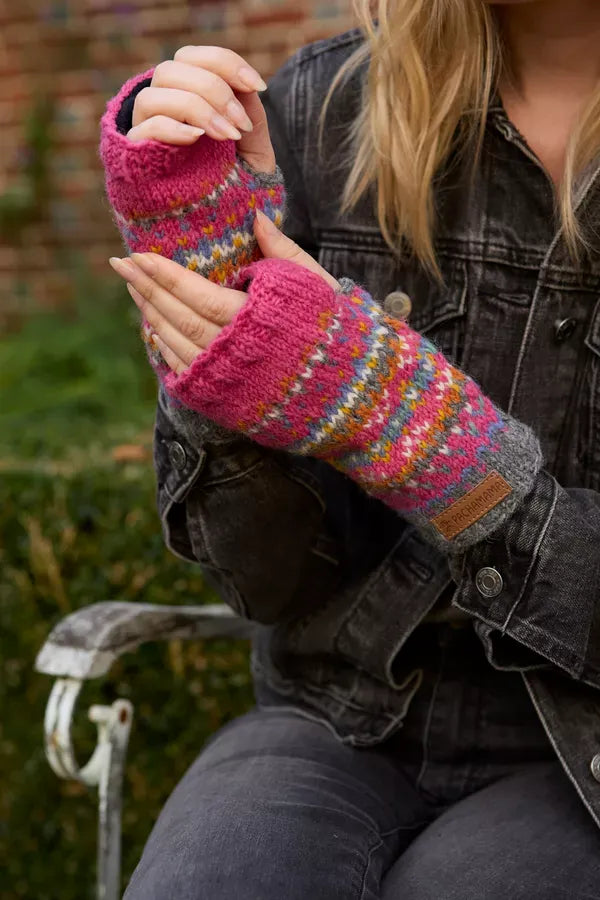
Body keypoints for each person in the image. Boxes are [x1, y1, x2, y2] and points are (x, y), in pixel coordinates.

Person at [100, 1, 600, 897]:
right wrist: (212, 296)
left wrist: (408, 425)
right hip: (337, 713)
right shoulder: (321, 105)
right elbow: (268, 584)